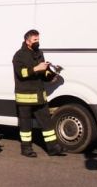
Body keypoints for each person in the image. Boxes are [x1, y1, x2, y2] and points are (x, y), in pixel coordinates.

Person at [12, 29, 66, 157]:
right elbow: (21, 73)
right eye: (35, 40)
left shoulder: (39, 53)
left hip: (39, 96)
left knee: (47, 123)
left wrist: (51, 74)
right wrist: (37, 68)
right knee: (26, 126)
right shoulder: (19, 55)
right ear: (27, 41)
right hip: (25, 97)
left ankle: (53, 148)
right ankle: (26, 149)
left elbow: (43, 73)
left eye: (38, 40)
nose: (38, 42)